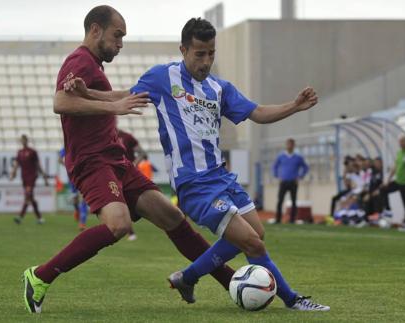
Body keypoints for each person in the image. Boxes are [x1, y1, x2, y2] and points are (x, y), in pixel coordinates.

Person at [22, 6, 236, 314]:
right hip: (93, 162)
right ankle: (39, 276)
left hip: (116, 161)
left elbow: (106, 96)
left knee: (171, 217)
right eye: (117, 36)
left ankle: (233, 284)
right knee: (118, 225)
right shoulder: (79, 60)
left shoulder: (93, 67)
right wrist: (115, 107)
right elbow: (61, 101)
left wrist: (153, 93)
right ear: (95, 30)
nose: (121, 44)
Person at [130, 18, 329, 311]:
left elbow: (258, 112)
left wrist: (294, 106)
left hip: (222, 178)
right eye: (200, 54)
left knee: (256, 234)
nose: (206, 61)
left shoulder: (219, 88)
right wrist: (85, 94)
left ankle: (187, 276)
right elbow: (124, 97)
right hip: (194, 185)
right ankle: (293, 299)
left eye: (211, 53)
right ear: (183, 49)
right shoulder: (162, 78)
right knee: (254, 244)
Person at [9, 134, 49, 224]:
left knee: (28, 195)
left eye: (24, 140)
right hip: (24, 177)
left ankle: (20, 217)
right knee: (30, 198)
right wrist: (13, 174)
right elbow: (16, 164)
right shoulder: (19, 152)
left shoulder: (32, 152)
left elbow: (38, 165)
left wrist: (44, 177)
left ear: (27, 141)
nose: (23, 141)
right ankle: (40, 218)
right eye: (22, 140)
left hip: (32, 177)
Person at [270, 138, 309, 224]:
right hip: (283, 181)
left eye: (291, 144)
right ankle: (278, 219)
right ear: (286, 145)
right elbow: (274, 166)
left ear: (294, 146)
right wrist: (277, 176)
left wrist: (300, 177)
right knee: (280, 200)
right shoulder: (281, 156)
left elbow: (305, 167)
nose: (289, 146)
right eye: (288, 144)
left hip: (293, 182)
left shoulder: (298, 157)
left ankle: (292, 220)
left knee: (293, 201)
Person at [59, 147, 88, 231]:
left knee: (83, 199)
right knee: (75, 200)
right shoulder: (66, 147)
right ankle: (77, 211)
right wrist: (68, 165)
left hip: (83, 176)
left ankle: (82, 222)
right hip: (72, 178)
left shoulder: (82, 146)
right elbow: (59, 159)